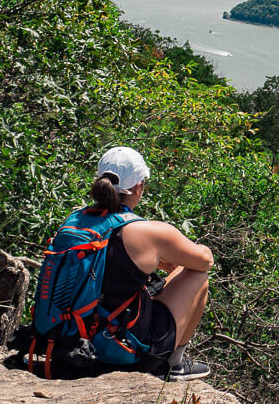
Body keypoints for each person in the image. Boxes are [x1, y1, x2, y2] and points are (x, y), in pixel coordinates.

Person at [89, 146, 213, 380]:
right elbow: (205, 261)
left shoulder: (76, 221)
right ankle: (173, 364)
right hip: (123, 350)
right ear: (138, 188)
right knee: (197, 275)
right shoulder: (144, 232)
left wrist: (151, 262)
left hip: (73, 337)